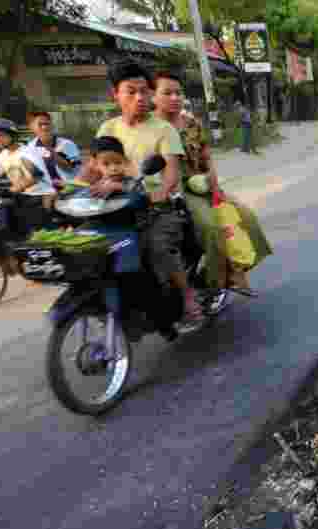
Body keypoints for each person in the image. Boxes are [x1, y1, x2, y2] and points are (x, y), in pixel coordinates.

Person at [76, 59, 204, 331]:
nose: (140, 97)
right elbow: (92, 169)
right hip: (116, 207)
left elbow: (171, 174)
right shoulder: (107, 129)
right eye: (131, 91)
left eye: (145, 91)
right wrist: (71, 188)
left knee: (158, 248)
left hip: (157, 208)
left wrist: (159, 192)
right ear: (116, 95)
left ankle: (188, 298)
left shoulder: (164, 129)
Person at [151, 69, 272, 297]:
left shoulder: (191, 122)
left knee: (245, 217)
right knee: (211, 227)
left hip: (204, 184)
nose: (175, 98)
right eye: (167, 93)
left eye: (178, 93)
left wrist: (215, 186)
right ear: (153, 96)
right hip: (178, 189)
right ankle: (214, 280)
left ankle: (235, 269)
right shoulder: (150, 127)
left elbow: (207, 157)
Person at [0, 118, 56, 238]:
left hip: (39, 197)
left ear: (12, 136)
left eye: (1, 136)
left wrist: (9, 191)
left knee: (36, 237)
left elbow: (34, 177)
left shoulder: (26, 153)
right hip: (21, 196)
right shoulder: (2, 155)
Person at [24, 111, 80, 189]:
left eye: (47, 124)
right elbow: (34, 175)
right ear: (31, 127)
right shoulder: (29, 148)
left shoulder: (67, 144)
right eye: (40, 124)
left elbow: (72, 168)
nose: (44, 127)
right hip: (46, 192)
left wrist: (50, 149)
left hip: (71, 191)